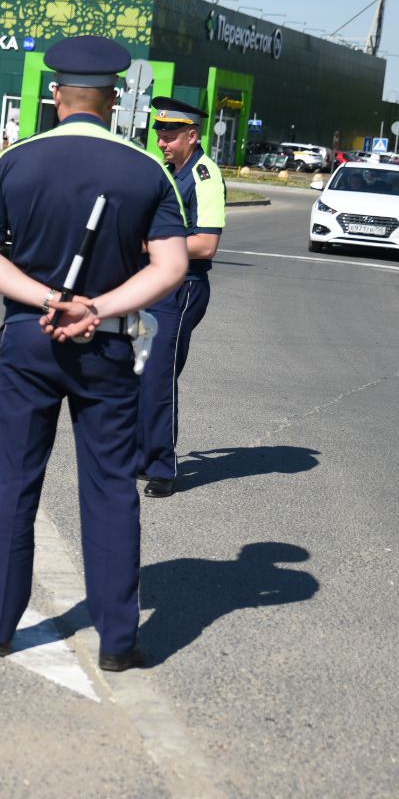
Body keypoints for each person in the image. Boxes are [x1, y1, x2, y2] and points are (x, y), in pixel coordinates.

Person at [0, 35, 189, 672]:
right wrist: (97, 306)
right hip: (105, 346)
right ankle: (118, 641)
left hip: (32, 338)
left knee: (15, 483)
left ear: (56, 96)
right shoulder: (148, 169)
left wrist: (48, 298)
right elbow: (170, 266)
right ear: (113, 102)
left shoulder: (15, 159)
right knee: (113, 488)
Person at [137, 97, 227, 498]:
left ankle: (162, 468)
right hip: (153, 282)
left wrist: (149, 242)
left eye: (171, 136)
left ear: (192, 135)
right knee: (137, 371)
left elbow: (206, 244)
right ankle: (141, 455)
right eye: (159, 134)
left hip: (182, 288)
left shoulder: (205, 175)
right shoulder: (167, 170)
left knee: (158, 376)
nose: (163, 142)